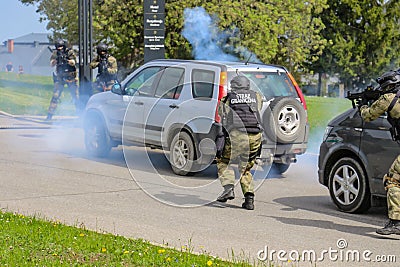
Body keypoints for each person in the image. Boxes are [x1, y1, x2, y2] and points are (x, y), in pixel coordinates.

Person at [359, 69, 400, 235]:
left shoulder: (388, 99)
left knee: (393, 180)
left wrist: (363, 103)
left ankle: (396, 222)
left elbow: (367, 116)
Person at [216, 75, 263, 210]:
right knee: (245, 168)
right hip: (255, 136)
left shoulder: (230, 97)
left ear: (234, 86)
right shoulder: (256, 96)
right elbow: (258, 108)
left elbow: (221, 112)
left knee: (223, 161)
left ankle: (229, 188)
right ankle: (249, 200)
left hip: (237, 135)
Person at [46, 39, 79, 121]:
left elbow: (74, 62)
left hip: (71, 77)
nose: (60, 48)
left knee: (76, 96)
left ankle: (81, 114)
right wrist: (56, 60)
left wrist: (67, 60)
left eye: (61, 47)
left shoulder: (69, 52)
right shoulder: (55, 53)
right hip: (60, 78)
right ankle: (49, 116)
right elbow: (51, 64)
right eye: (58, 47)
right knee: (55, 96)